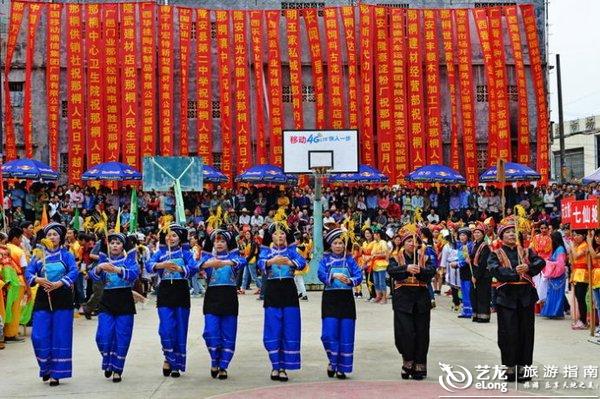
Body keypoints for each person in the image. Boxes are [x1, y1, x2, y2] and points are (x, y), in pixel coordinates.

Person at [487, 218, 545, 383]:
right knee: (507, 334)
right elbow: (496, 271)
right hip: (506, 297)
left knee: (526, 333)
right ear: (501, 236)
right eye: (507, 232)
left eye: (513, 231)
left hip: (526, 297)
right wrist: (515, 272)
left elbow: (541, 262)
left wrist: (528, 267)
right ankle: (509, 367)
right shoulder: (496, 253)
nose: (511, 234)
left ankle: (524, 367)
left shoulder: (526, 251)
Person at [25, 223, 78, 386]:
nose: (52, 237)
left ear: (61, 238)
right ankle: (46, 367)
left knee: (60, 336)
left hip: (62, 297)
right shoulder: (38, 255)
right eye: (49, 235)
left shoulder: (66, 255)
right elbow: (28, 272)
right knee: (38, 336)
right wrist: (37, 279)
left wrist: (60, 283)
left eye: (55, 234)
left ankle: (57, 373)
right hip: (43, 296)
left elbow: (74, 271)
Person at [146, 223, 199, 378]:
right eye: (168, 235)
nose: (171, 238)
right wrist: (161, 265)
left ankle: (174, 364)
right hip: (165, 293)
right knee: (165, 329)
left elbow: (194, 267)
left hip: (181, 291)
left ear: (180, 237)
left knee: (180, 329)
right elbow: (149, 265)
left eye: (174, 235)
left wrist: (181, 269)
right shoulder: (160, 253)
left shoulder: (186, 253)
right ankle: (168, 357)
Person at [258, 221, 306, 382]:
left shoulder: (292, 251)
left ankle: (284, 367)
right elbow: (260, 263)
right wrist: (271, 262)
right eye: (276, 233)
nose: (279, 236)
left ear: (286, 236)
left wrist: (289, 262)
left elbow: (302, 262)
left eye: (282, 233)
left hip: (289, 294)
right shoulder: (266, 252)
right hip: (272, 294)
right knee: (273, 329)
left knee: (289, 329)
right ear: (271, 236)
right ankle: (275, 365)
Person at [89, 233, 139, 383]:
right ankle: (108, 361)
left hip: (124, 300)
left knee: (122, 336)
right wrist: (99, 268)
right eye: (112, 243)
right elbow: (93, 275)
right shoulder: (104, 260)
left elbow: (134, 274)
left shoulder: (129, 260)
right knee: (103, 336)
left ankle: (117, 369)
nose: (115, 245)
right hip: (107, 300)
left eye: (118, 243)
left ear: (123, 246)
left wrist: (117, 270)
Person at [387, 228, 436, 380]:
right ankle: (407, 360)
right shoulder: (396, 256)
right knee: (404, 332)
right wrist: (406, 269)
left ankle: (420, 364)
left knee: (422, 333)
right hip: (403, 299)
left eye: (415, 241)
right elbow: (391, 271)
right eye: (409, 241)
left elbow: (431, 272)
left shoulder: (425, 257)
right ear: (403, 243)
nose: (412, 244)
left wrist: (420, 270)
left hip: (421, 299)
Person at [198, 228, 247, 380]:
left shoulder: (233, 258)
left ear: (227, 243)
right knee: (210, 332)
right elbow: (195, 265)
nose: (219, 243)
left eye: (222, 240)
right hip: (212, 298)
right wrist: (208, 264)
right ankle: (214, 360)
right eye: (216, 240)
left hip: (229, 299)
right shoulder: (207, 258)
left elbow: (242, 261)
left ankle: (224, 366)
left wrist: (222, 262)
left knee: (228, 333)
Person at [318, 228, 362, 379]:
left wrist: (350, 281)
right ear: (330, 245)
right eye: (335, 243)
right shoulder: (325, 260)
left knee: (346, 334)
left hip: (346, 300)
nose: (338, 246)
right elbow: (321, 274)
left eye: (341, 243)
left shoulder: (350, 260)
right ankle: (332, 361)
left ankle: (342, 367)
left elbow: (359, 275)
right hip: (330, 300)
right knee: (328, 334)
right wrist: (334, 275)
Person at [5, 226, 29, 342]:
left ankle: (5, 331)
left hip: (6, 281)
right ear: (15, 238)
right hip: (18, 282)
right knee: (15, 309)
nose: (20, 241)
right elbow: (24, 271)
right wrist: (28, 288)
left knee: (7, 307)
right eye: (20, 239)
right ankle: (11, 334)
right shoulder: (19, 252)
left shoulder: (4, 247)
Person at [540, 231, 567, 318]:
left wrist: (549, 263)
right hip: (554, 274)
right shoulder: (557, 249)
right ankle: (552, 312)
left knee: (557, 294)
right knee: (552, 294)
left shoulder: (560, 249)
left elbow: (561, 264)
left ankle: (555, 312)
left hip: (557, 274)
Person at [470, 222, 492, 323]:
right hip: (475, 273)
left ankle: (484, 316)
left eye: (479, 232)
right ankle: (476, 314)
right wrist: (468, 259)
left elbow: (483, 263)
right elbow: (473, 258)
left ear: (483, 234)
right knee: (475, 295)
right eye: (475, 232)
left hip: (483, 275)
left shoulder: (485, 246)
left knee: (483, 296)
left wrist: (476, 276)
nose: (476, 234)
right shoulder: (475, 245)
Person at [569, 229, 589, 330]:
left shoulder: (585, 245)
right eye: (574, 235)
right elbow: (572, 261)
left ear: (584, 236)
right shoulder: (576, 246)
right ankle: (581, 319)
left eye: (578, 235)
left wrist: (572, 247)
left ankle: (583, 321)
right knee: (578, 296)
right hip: (577, 272)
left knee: (581, 297)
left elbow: (576, 256)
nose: (575, 237)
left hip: (583, 273)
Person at [456, 227, 474, 319]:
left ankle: (469, 311)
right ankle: (465, 310)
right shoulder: (461, 246)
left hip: (468, 271)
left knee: (467, 290)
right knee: (463, 291)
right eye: (460, 235)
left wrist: (457, 264)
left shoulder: (470, 246)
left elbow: (467, 260)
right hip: (462, 271)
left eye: (464, 235)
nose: (461, 237)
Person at [371, 229, 389, 304]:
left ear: (378, 235)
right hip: (374, 265)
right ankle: (378, 296)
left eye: (374, 234)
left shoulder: (383, 242)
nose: (373, 236)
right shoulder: (374, 243)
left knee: (382, 282)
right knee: (376, 282)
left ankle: (384, 297)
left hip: (381, 265)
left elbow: (386, 254)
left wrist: (376, 255)